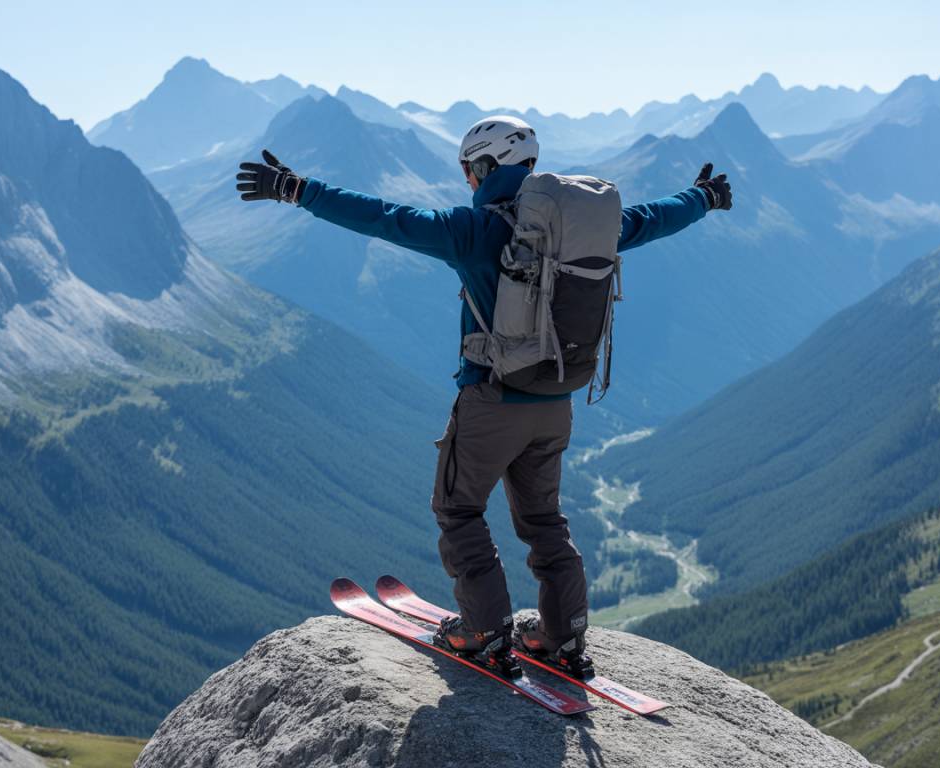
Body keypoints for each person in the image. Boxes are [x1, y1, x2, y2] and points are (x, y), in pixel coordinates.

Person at [237, 115, 732, 676]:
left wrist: (297, 190)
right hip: (558, 400)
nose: (468, 181)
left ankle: (484, 629)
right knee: (545, 520)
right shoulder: (582, 227)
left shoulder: (472, 230)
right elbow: (654, 218)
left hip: (493, 401)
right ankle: (563, 637)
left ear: (488, 167)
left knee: (458, 507)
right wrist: (704, 196)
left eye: (471, 168)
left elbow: (384, 218)